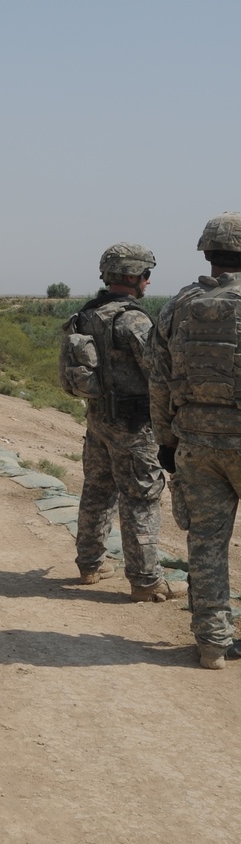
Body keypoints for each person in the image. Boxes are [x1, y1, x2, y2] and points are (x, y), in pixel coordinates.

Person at [149, 213, 241, 668]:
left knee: (206, 543)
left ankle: (211, 646)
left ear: (207, 253)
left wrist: (165, 440)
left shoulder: (178, 304)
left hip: (196, 444)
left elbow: (159, 379)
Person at [69, 243, 176, 602]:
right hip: (133, 426)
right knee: (141, 499)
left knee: (96, 491)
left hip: (98, 419)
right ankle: (146, 581)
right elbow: (157, 371)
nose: (147, 281)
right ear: (132, 276)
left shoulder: (86, 314)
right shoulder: (133, 319)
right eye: (146, 274)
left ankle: (90, 564)